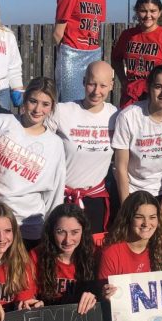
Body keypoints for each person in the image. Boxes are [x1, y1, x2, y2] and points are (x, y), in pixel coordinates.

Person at [0, 77, 66, 247]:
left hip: (28, 225)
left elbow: (55, 193)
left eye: (45, 104)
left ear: (52, 107)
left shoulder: (55, 144)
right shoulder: (2, 122)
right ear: (25, 99)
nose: (38, 109)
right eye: (33, 101)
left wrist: (51, 228)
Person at [112, 65, 162, 222]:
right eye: (158, 87)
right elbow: (121, 167)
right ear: (149, 88)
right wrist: (126, 207)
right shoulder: (128, 116)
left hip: (161, 191)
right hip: (130, 190)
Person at [48, 60, 118, 233]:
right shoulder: (62, 111)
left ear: (112, 86)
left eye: (103, 85)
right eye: (92, 84)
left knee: (92, 253)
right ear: (83, 81)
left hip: (94, 198)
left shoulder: (116, 116)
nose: (96, 91)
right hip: (62, 196)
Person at [110, 0, 162, 108]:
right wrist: (123, 80)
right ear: (136, 12)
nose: (148, 15)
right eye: (143, 11)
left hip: (157, 97)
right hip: (131, 96)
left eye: (153, 11)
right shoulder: (127, 35)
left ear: (160, 12)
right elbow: (116, 59)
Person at [22, 204, 98, 314]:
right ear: (51, 231)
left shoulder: (94, 255)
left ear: (83, 231)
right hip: (47, 319)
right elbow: (25, 297)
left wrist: (95, 294)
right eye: (60, 232)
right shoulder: (36, 256)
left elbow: (107, 291)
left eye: (75, 232)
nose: (68, 240)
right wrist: (34, 304)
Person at [53, 0, 106, 102]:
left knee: (92, 100)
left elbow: (95, 28)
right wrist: (66, 55)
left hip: (93, 53)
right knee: (70, 102)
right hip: (72, 55)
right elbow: (58, 33)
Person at [98, 191, 162, 293]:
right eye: (139, 217)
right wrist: (107, 294)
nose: (146, 223)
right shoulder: (111, 254)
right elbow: (103, 295)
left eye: (152, 217)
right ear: (128, 218)